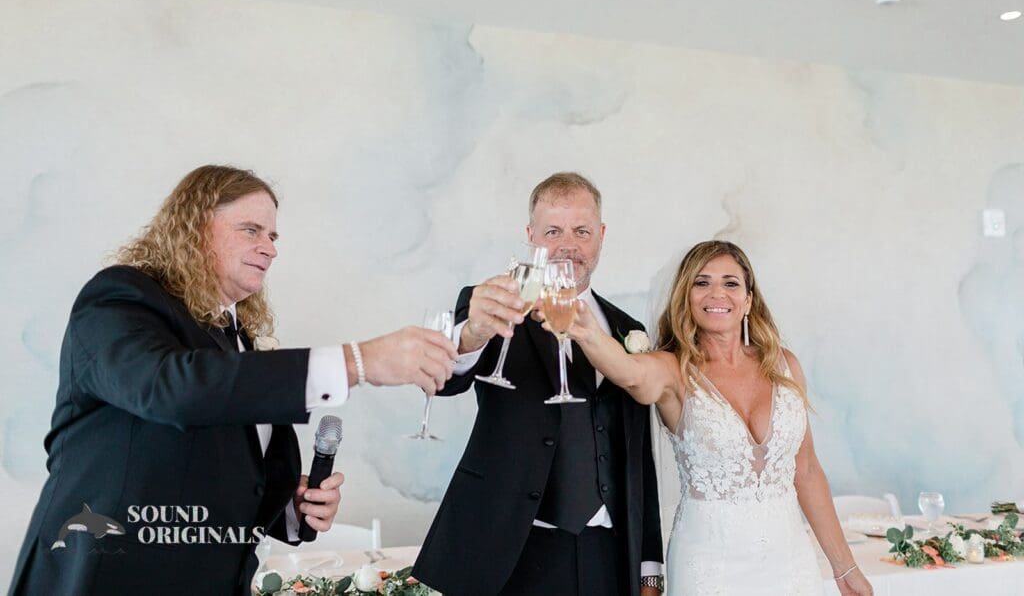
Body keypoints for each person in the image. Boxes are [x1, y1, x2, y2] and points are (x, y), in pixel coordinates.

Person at [9, 165, 456, 596]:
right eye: (251, 230)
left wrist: (290, 510)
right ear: (193, 228)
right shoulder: (119, 298)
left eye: (274, 235)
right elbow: (170, 389)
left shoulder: (235, 340)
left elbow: (215, 463)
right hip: (106, 578)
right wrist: (359, 361)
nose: (270, 247)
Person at [542, 240, 874, 595]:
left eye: (731, 283)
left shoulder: (785, 365)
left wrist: (844, 566)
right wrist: (585, 330)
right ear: (687, 296)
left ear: (748, 300)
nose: (717, 293)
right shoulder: (673, 370)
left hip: (791, 565)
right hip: (710, 567)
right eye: (702, 283)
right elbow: (629, 372)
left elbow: (806, 470)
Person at [414, 172, 665, 596]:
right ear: (531, 236)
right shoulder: (491, 304)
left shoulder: (627, 329)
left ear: (601, 235)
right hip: (510, 552)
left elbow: (639, 459)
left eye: (582, 231)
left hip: (609, 554)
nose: (569, 244)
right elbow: (445, 379)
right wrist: (473, 331)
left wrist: (650, 571)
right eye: (553, 231)